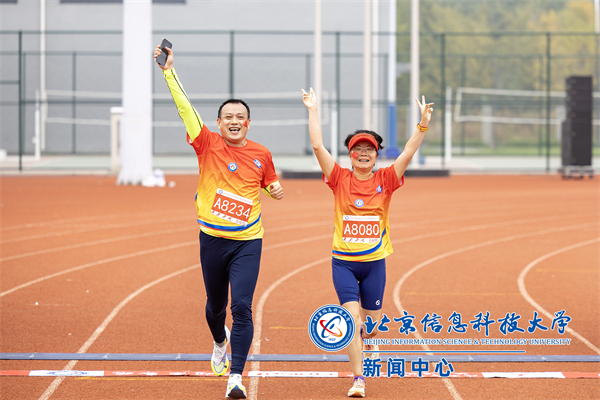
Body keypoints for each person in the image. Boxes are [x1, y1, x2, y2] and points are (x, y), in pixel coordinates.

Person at [155, 44, 284, 399]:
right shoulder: (206, 143)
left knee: (241, 306)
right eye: (228, 116)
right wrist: (168, 72)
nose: (234, 120)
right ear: (219, 122)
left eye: (240, 116)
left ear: (248, 122)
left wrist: (273, 189)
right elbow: (185, 108)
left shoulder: (261, 153)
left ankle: (236, 377)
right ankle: (218, 341)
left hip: (248, 241)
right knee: (216, 308)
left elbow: (267, 182)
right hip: (212, 240)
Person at [302, 88, 433, 398]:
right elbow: (317, 145)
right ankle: (358, 378)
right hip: (344, 264)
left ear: (377, 155)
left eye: (369, 149)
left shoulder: (386, 179)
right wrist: (313, 110)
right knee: (350, 320)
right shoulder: (338, 178)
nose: (363, 153)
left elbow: (407, 153)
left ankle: (370, 337)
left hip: (374, 264)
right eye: (358, 149)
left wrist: (423, 125)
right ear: (350, 154)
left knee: (370, 326)